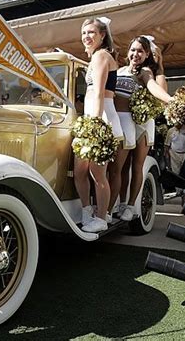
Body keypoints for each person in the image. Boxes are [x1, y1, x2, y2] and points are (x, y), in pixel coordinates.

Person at [108, 36, 172, 221]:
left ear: (146, 55)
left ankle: (129, 206)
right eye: (133, 50)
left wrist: (170, 99)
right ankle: (115, 204)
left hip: (141, 125)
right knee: (119, 168)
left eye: (140, 51)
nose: (136, 54)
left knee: (136, 167)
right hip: (121, 123)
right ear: (128, 52)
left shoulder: (145, 72)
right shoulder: (118, 70)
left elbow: (156, 88)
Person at [74, 17, 122, 233]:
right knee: (79, 171)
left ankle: (102, 218)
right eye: (84, 33)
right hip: (89, 119)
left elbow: (100, 93)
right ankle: (86, 211)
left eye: (91, 32)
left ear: (102, 35)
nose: (87, 36)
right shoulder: (94, 58)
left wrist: (94, 124)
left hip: (100, 118)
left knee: (97, 174)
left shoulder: (102, 55)